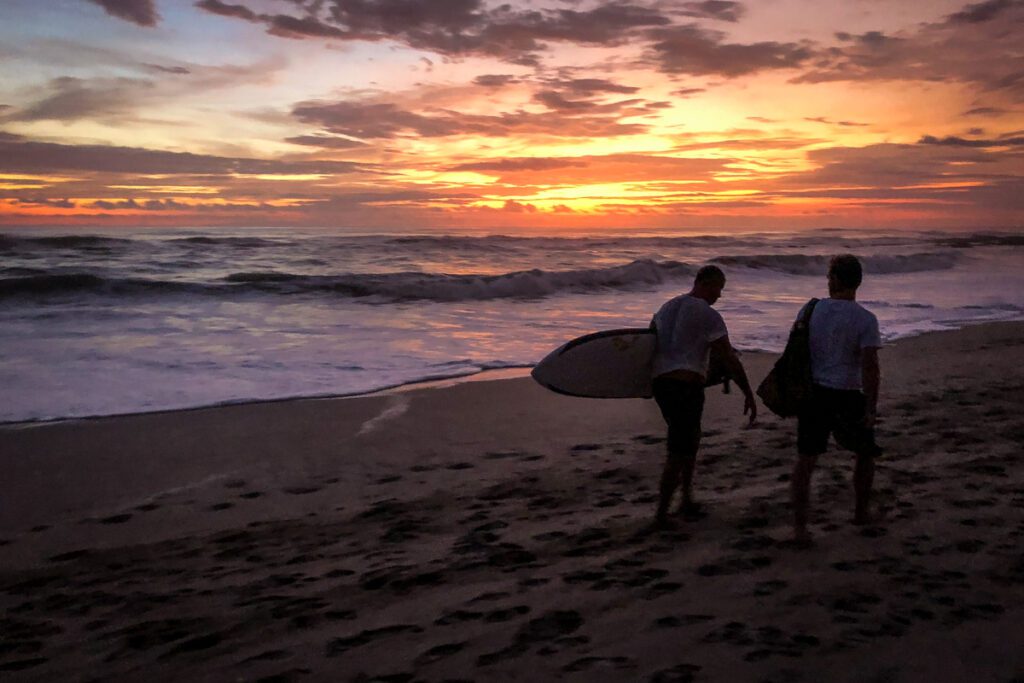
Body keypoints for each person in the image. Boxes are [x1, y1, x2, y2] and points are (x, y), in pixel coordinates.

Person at [650, 265, 756, 527]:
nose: (719, 295)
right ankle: (661, 515)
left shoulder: (665, 308)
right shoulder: (709, 315)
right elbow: (728, 357)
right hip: (686, 388)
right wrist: (748, 392)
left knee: (689, 441)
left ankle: (686, 498)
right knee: (679, 449)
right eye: (718, 288)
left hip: (662, 386)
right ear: (705, 283)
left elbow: (650, 347)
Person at [791, 254, 882, 543]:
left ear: (836, 280)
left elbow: (797, 349)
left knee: (806, 460)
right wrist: (871, 405)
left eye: (830, 276)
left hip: (815, 392)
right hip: (847, 393)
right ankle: (860, 512)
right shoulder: (865, 319)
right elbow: (869, 366)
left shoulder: (811, 309)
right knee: (865, 453)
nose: (827, 281)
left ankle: (800, 528)